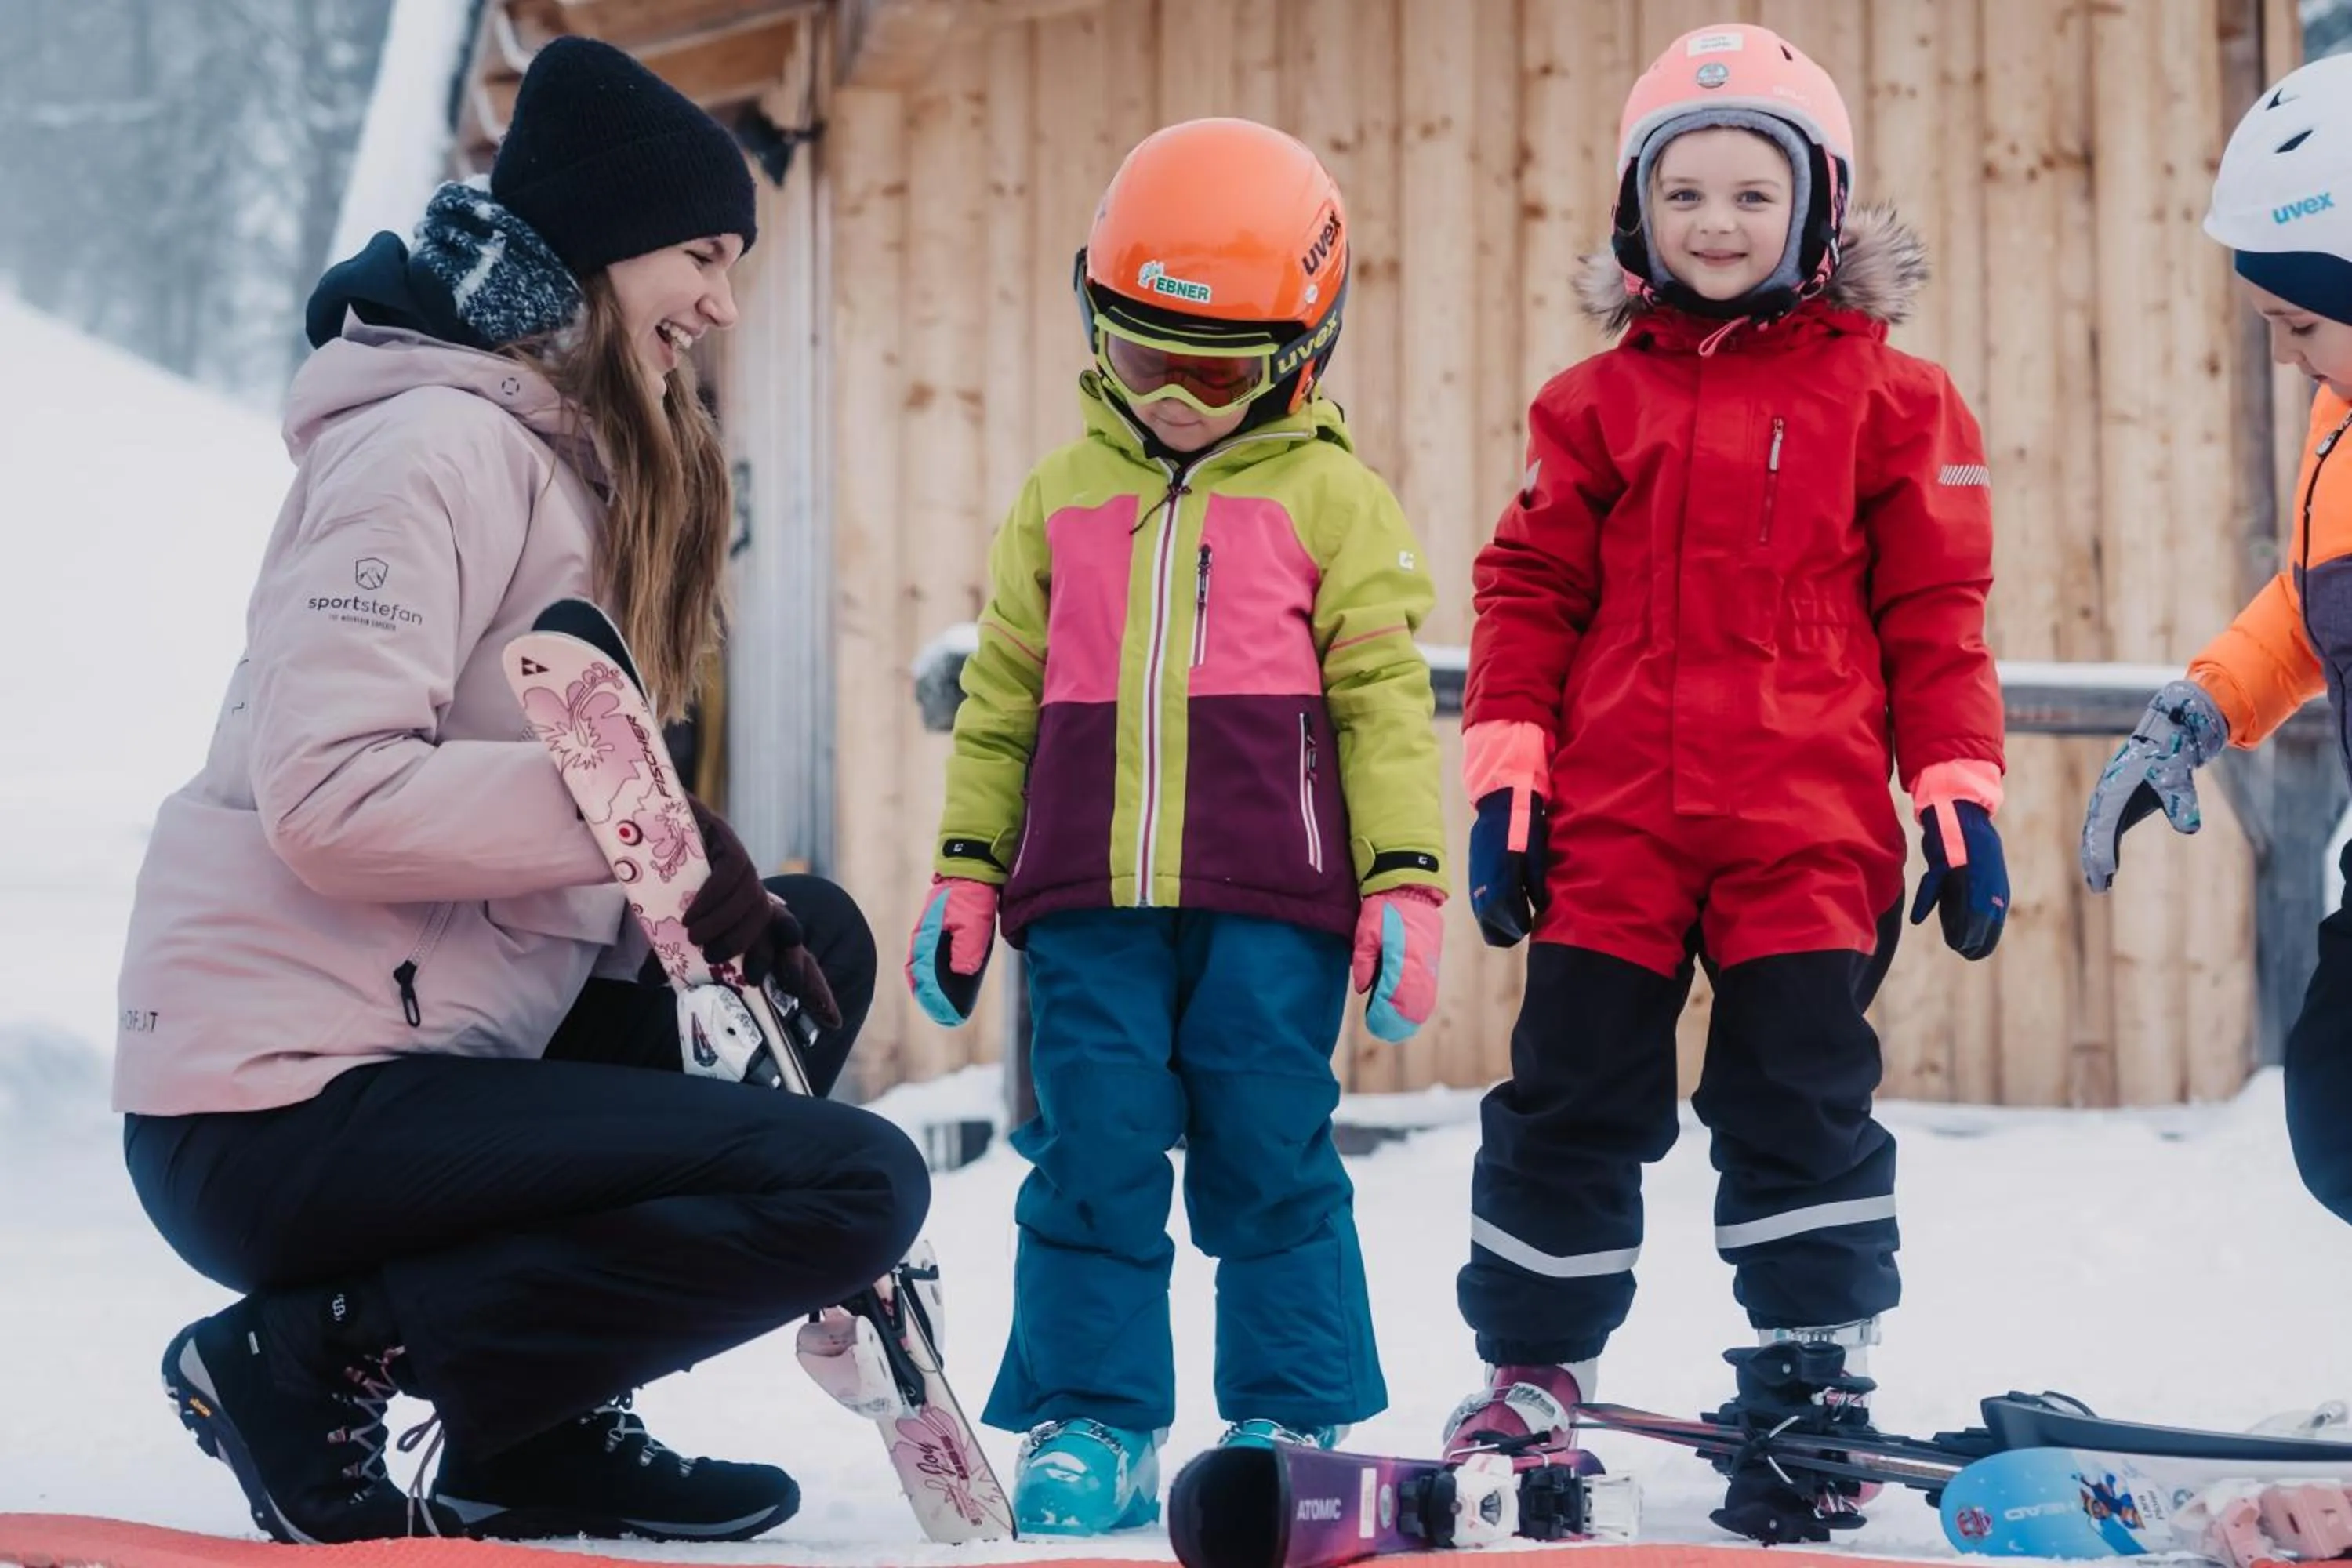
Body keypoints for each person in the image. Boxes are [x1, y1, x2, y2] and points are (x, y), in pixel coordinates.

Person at [112, 37, 928, 1546]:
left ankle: (529, 1434)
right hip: (274, 1107)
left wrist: (685, 914)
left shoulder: (562, 463)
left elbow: (525, 886)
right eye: (698, 253)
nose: (721, 303)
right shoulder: (427, 447)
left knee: (811, 948)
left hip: (425, 1062)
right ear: (603, 246)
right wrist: (645, 837)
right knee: (851, 1185)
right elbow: (328, 797)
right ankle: (300, 1362)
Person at [1442, 22, 2009, 1545]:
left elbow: (1936, 617)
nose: (1715, 220)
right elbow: (1527, 594)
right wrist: (1509, 777)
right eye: (1681, 191)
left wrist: (1957, 791)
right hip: (1617, 829)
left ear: (1817, 209)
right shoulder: (1592, 405)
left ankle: (1813, 1372)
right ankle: (1533, 1369)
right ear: (1639, 213)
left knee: (1801, 1103)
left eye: (1752, 193)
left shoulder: (1898, 403)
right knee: (1569, 1097)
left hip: (1805, 835)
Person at [901, 117, 1448, 1535]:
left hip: (1275, 902)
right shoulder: (1060, 499)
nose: (1179, 398)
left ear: (1303, 353)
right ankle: (1094, 1415)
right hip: (1086, 901)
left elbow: (1387, 703)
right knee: (1091, 1148)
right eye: (1145, 357)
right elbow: (1001, 699)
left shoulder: (1337, 499)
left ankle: (1289, 1410)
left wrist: (1405, 882)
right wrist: (968, 870)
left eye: (1215, 369)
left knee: (1271, 1148)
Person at [2081, 53, 2352, 1231]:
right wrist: (2203, 708)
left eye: (2298, 321)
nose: (2285, 357)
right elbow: (2316, 601)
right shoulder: (2341, 414)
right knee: (2337, 1123)